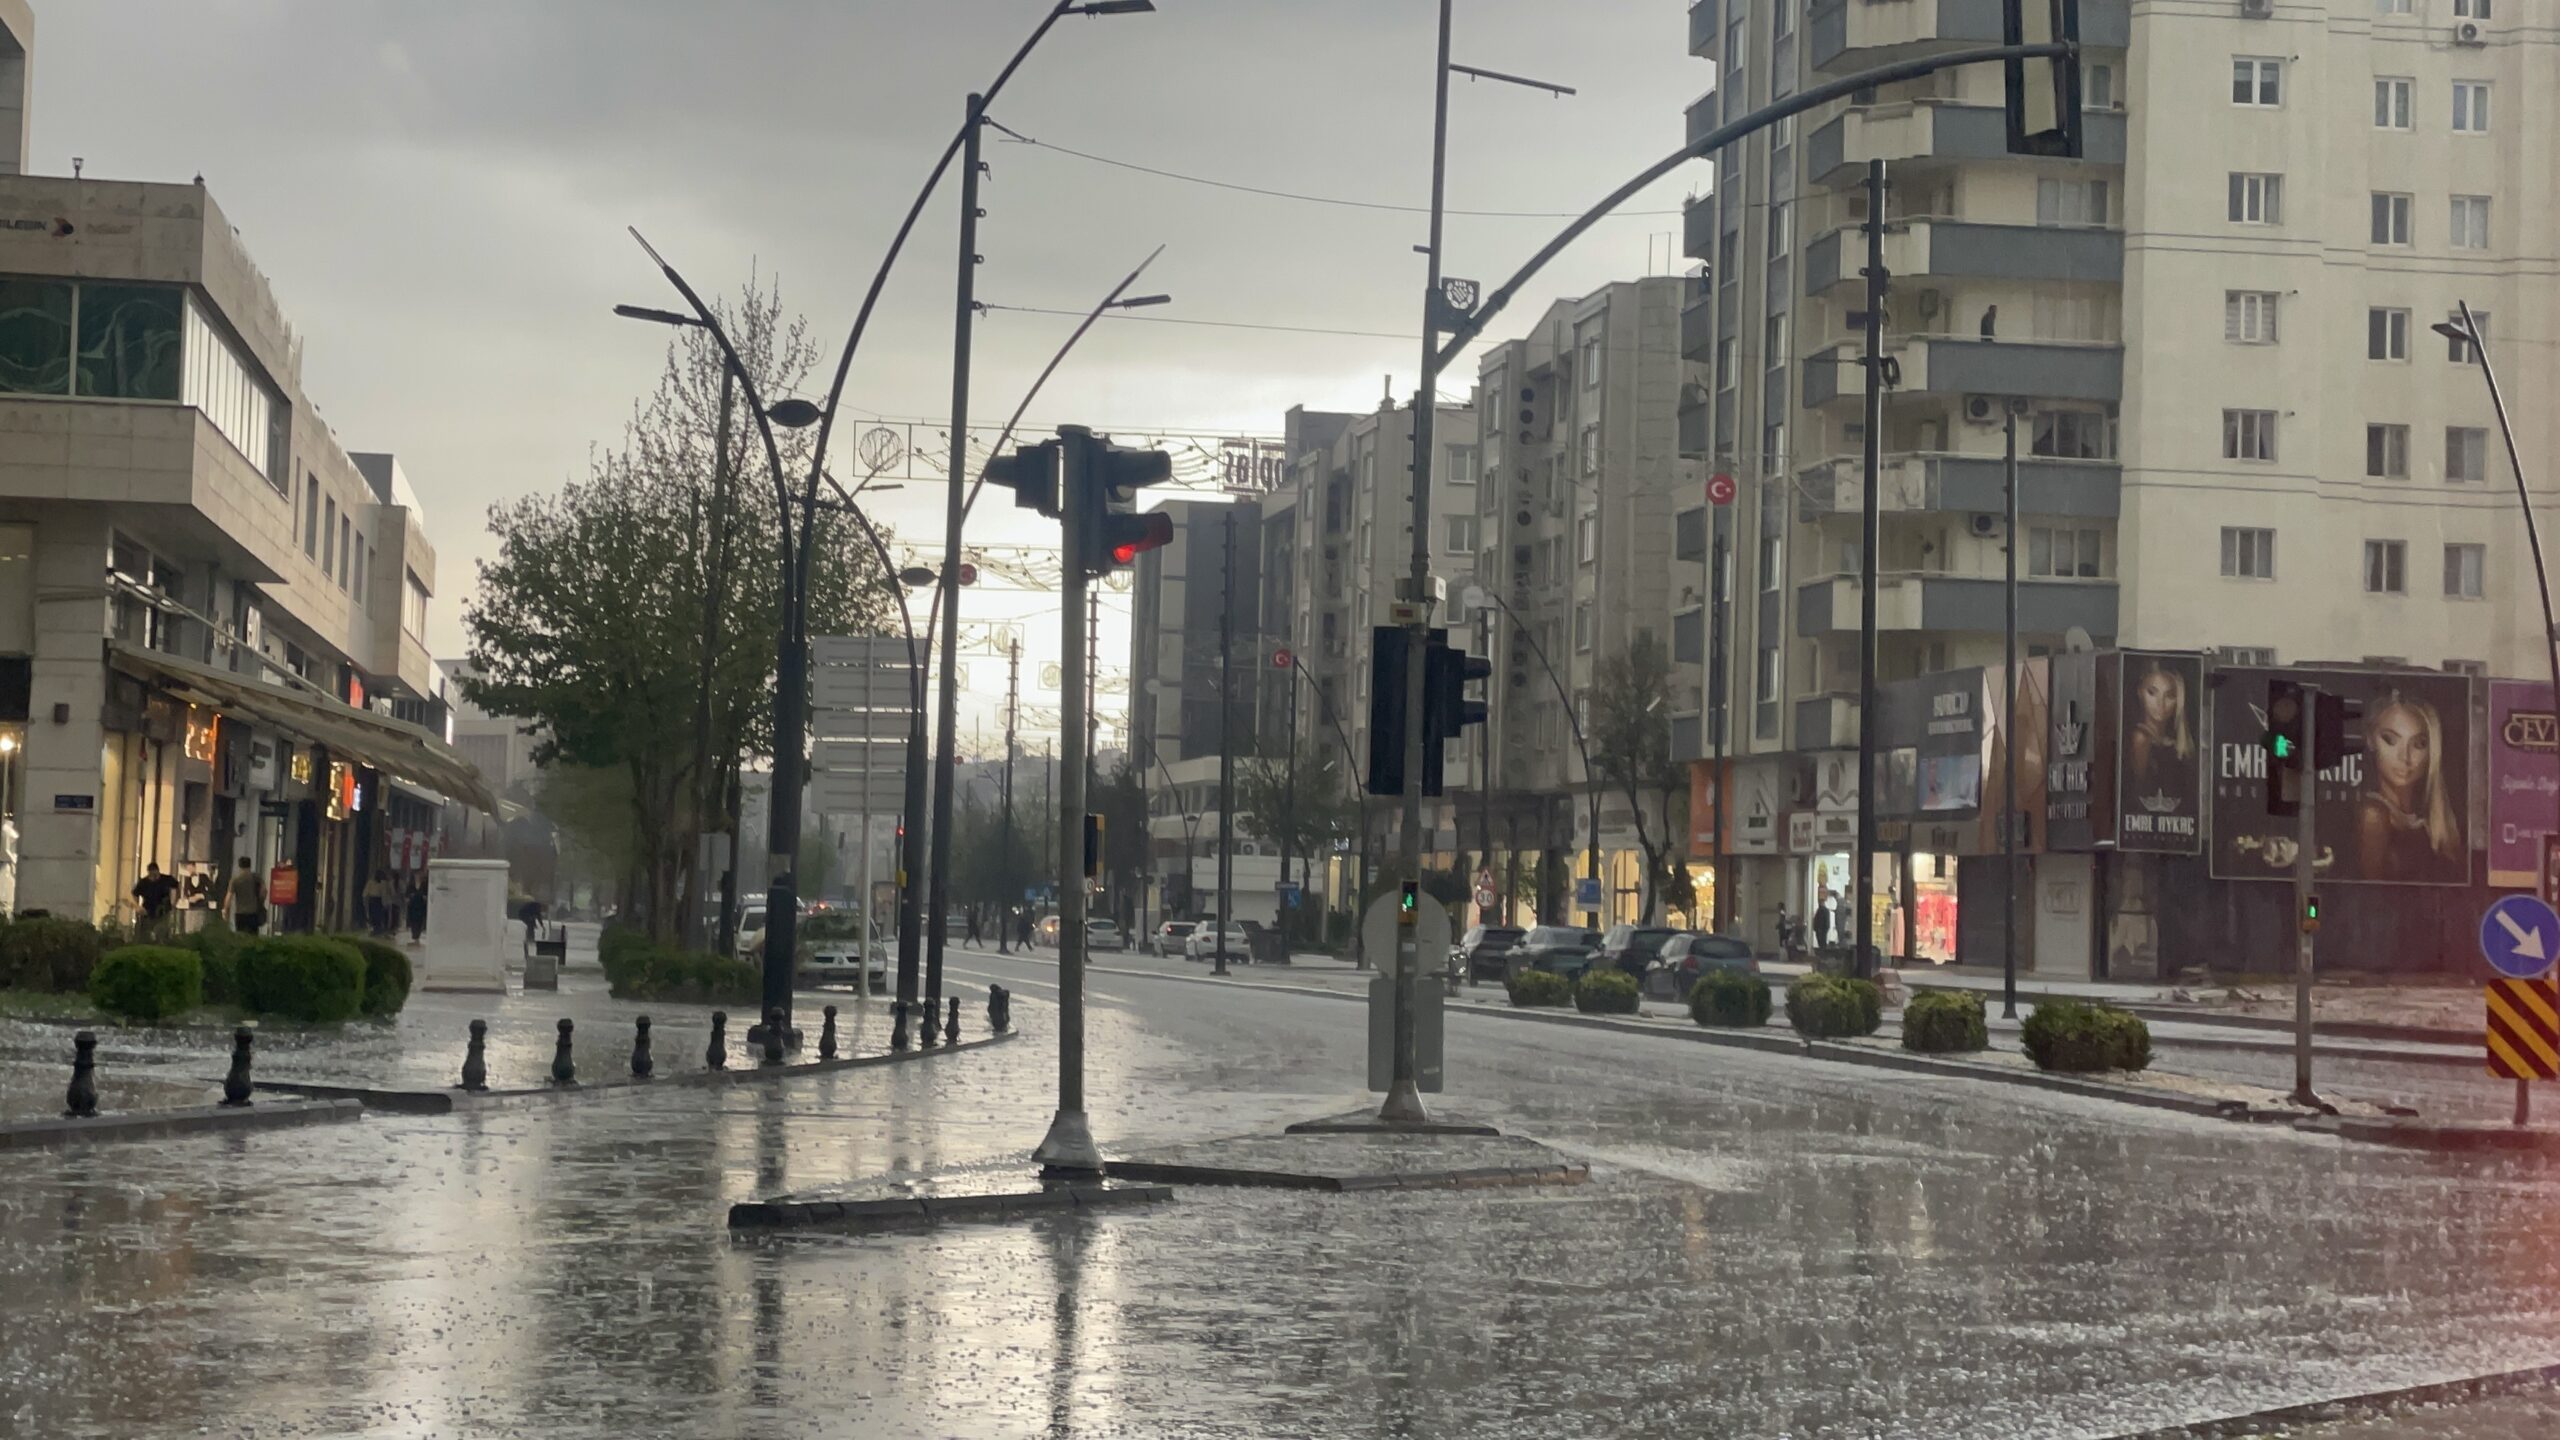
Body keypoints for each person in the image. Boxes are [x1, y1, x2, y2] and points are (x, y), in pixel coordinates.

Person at [2356, 688, 2464, 881]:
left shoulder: (2434, 818)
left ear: (2432, 749)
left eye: (2419, 744)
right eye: (2390, 740)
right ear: (2371, 740)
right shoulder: (2374, 816)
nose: (2405, 757)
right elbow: (2372, 891)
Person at [2123, 660, 2196, 806]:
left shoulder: (2175, 742)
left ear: (2179, 700)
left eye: (2170, 695)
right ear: (2140, 692)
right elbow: (2137, 790)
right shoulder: (2141, 738)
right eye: (2152, 693)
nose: (2160, 704)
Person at [131, 862, 180, 935]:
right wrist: (138, 906)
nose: (153, 877)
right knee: (147, 932)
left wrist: (175, 901)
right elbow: (135, 893)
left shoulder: (166, 879)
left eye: (155, 874)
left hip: (164, 911)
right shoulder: (143, 883)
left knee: (162, 932)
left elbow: (177, 886)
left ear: (157, 871)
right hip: (148, 911)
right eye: (151, 875)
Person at [227, 857, 267, 936]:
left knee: (241, 936)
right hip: (253, 913)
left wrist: (226, 911)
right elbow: (264, 892)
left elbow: (228, 898)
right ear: (250, 865)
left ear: (239, 866)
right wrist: (261, 901)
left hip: (240, 914)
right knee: (253, 937)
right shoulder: (256, 878)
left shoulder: (235, 880)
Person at [363, 868, 394, 937]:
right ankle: (375, 929)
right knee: (372, 915)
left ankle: (377, 929)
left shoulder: (383, 883)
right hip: (372, 899)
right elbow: (366, 892)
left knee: (378, 916)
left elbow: (383, 894)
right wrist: (365, 899)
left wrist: (384, 902)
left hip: (378, 900)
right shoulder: (370, 882)